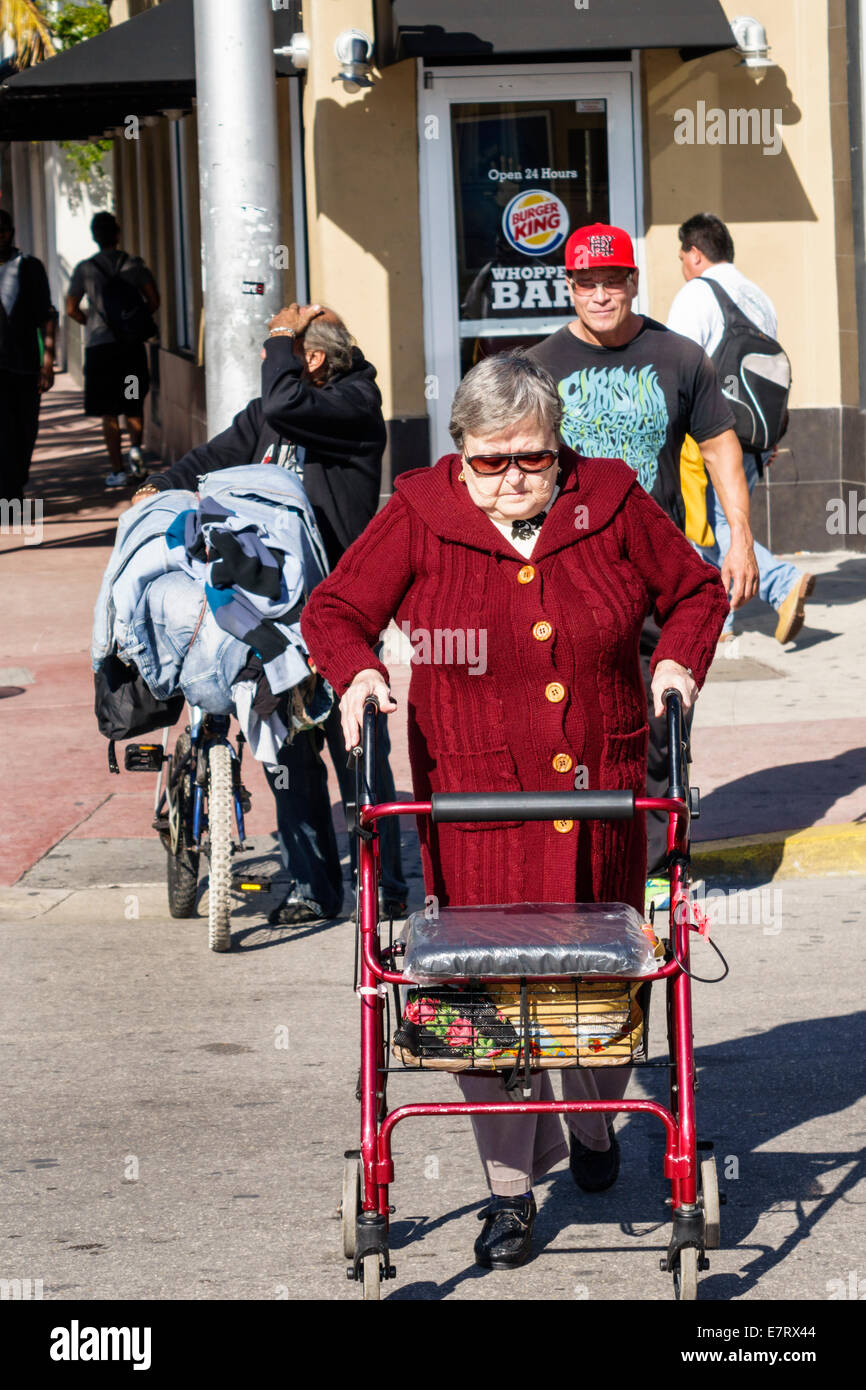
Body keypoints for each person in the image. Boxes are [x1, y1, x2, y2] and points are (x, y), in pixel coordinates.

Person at [301, 353, 728, 1269]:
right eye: (489, 461)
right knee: (480, 1000)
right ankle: (509, 1198)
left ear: (557, 446)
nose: (511, 478)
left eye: (530, 458)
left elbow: (696, 590)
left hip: (602, 799)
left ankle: (597, 1125)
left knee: (599, 993)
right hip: (475, 806)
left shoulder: (608, 499)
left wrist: (674, 662)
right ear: (459, 453)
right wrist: (362, 672)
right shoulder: (422, 511)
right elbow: (332, 611)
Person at [132, 303, 409, 925]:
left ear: (310, 359)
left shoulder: (353, 404)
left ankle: (387, 882)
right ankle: (314, 886)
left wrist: (281, 336)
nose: (267, 364)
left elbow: (283, 404)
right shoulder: (275, 409)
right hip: (271, 617)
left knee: (356, 747)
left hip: (340, 607)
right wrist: (162, 483)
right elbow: (219, 452)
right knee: (288, 751)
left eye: (277, 354)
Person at [527, 222, 758, 885]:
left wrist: (738, 537)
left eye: (613, 281)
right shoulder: (540, 366)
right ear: (569, 288)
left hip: (658, 572)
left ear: (633, 282)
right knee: (578, 720)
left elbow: (719, 448)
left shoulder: (680, 358)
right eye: (586, 283)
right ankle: (590, 852)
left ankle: (656, 862)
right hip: (571, 575)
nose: (601, 295)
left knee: (662, 715)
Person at [667, 212, 814, 644]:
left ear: (695, 254)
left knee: (714, 526)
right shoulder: (757, 296)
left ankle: (782, 583)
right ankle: (722, 621)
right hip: (755, 432)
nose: (681, 265)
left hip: (708, 433)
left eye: (681, 256)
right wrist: (770, 437)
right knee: (727, 523)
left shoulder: (697, 293)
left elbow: (679, 366)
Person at [66, 211, 160, 489]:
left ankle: (117, 470)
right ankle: (136, 453)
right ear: (118, 235)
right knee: (133, 402)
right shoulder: (134, 265)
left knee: (109, 410)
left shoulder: (85, 269)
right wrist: (134, 322)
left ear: (95, 237)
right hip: (130, 350)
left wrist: (92, 323)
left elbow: (71, 308)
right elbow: (153, 300)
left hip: (101, 351)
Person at [0, 209, 57, 504]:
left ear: (9, 233)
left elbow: (47, 315)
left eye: (2, 231)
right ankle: (10, 495)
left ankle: (16, 480)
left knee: (25, 429)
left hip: (24, 365)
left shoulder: (29, 267)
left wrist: (48, 361)